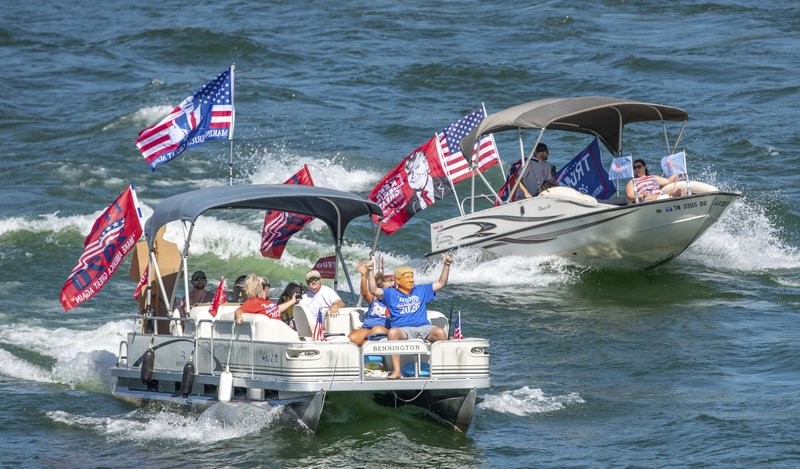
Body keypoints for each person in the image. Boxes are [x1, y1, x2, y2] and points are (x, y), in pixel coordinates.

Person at [366, 254, 452, 379]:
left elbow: (441, 283)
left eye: (412, 277)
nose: (411, 280)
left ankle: (443, 369)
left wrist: (447, 265)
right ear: (398, 281)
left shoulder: (421, 290)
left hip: (424, 328)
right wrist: (369, 271)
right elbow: (373, 290)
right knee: (393, 333)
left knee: (440, 332)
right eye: (407, 278)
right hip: (403, 330)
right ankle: (397, 371)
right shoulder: (390, 293)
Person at [348, 260, 391, 346]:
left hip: (386, 330)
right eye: (386, 289)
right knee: (352, 338)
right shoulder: (374, 298)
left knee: (377, 330)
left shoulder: (396, 298)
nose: (388, 291)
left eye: (391, 288)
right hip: (368, 329)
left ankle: (366, 347)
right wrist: (364, 275)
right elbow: (364, 292)